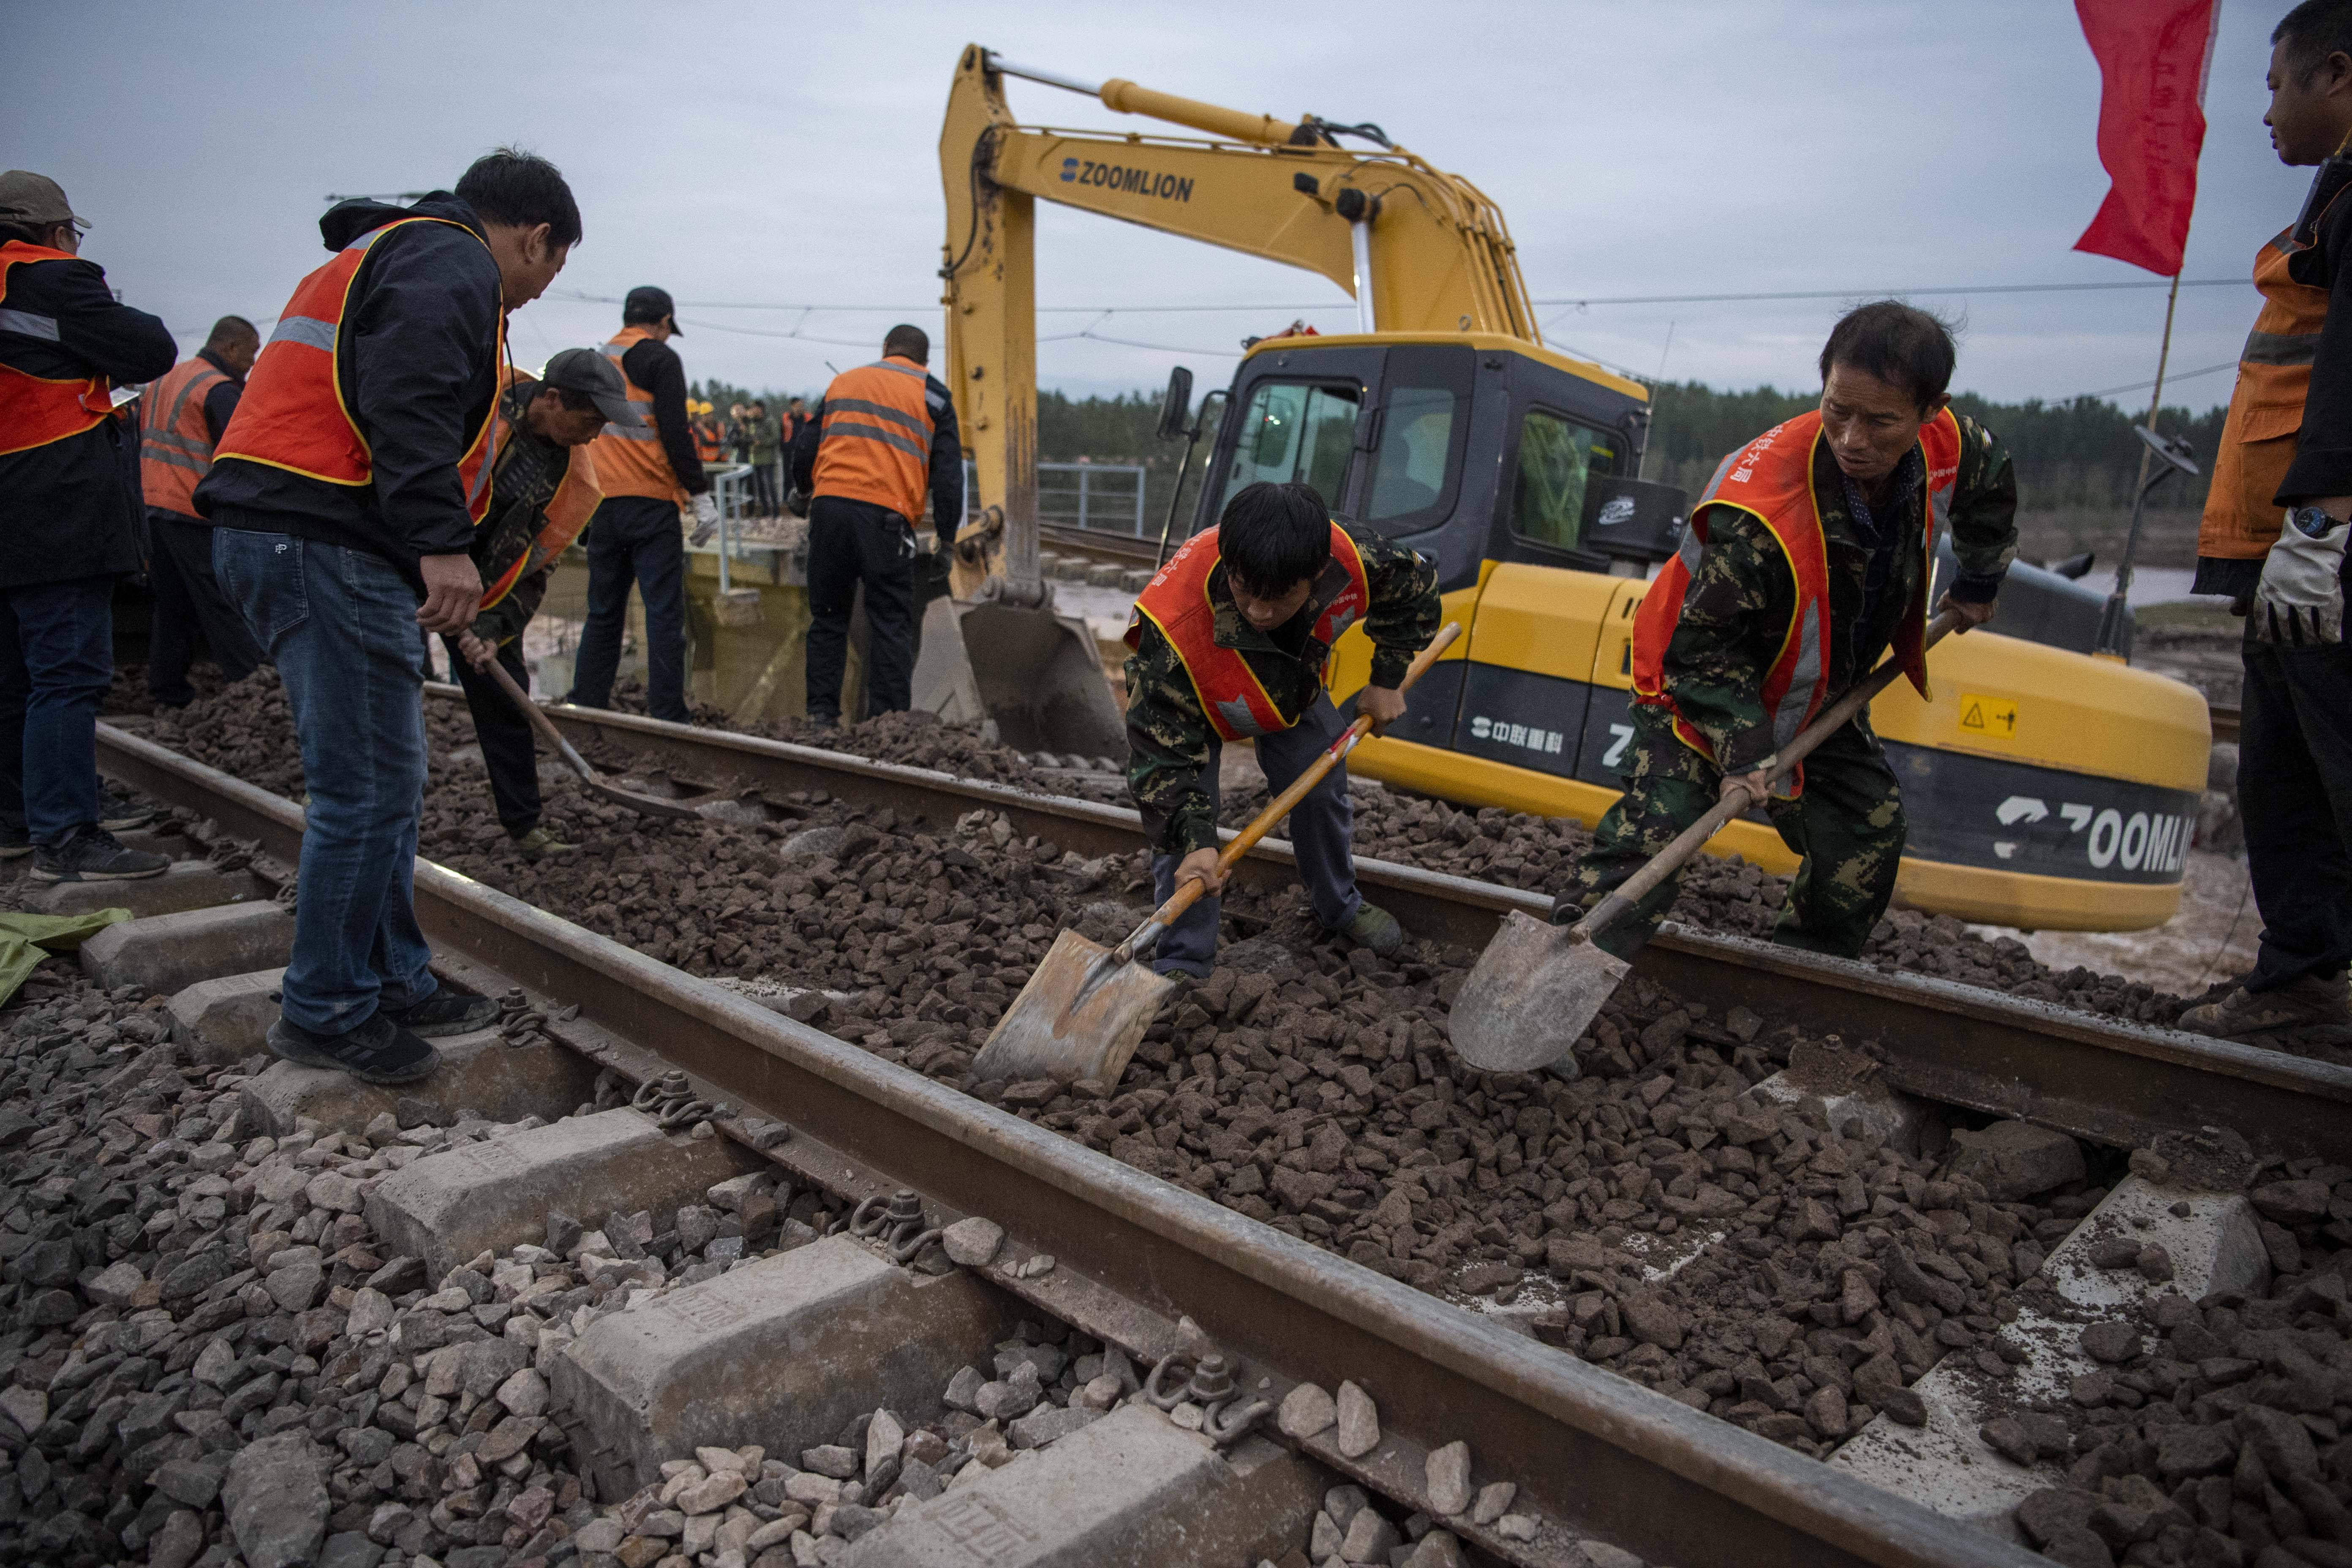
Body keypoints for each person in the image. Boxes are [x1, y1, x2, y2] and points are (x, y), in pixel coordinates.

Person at [199, 148, 581, 1084]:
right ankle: (327, 1006)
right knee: (366, 786)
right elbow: (407, 396)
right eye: (547, 269)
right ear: (532, 236)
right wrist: (439, 542)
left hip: (308, 531)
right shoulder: (449, 260)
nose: (532, 295)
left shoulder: (393, 251)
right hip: (318, 532)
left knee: (388, 780)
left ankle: (395, 975)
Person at [1560, 301, 2016, 964]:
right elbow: (1706, 652)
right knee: (1655, 837)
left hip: (1815, 686)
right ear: (1824, 383)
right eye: (1838, 410)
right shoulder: (1761, 512)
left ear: (1929, 411)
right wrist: (1746, 758)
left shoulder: (1951, 444)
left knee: (1867, 833)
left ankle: (1801, 981)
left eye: (1881, 421)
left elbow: (1991, 481)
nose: (1853, 439)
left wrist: (1979, 580)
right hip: (1700, 687)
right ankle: (1569, 968)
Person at [2183, 0, 2352, 1041]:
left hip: (2320, 551)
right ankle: (2302, 978)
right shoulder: (2331, 200)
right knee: (2283, 767)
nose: (2266, 112)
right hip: (2284, 548)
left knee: (2332, 763)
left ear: (2334, 74)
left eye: (2274, 85)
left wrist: (2325, 526)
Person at [1125, 480, 1437, 975]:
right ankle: (1184, 961)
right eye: (1246, 593)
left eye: (1280, 599)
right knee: (1185, 840)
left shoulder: (1355, 557)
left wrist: (1387, 679)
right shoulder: (1172, 629)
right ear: (1229, 564)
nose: (1259, 612)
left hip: (1288, 687)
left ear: (1317, 572)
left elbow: (1415, 590)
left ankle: (1338, 906)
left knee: (1321, 785)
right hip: (1195, 698)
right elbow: (1161, 758)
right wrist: (1193, 840)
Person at [0, 170, 179, 880]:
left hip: (9, 515)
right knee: (67, 675)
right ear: (52, 232)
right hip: (56, 510)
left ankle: (20, 818)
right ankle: (68, 836)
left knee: (15, 679)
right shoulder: (51, 280)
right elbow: (149, 349)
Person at [442, 348, 621, 858]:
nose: (595, 438)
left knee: (505, 692)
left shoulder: (574, 483)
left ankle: (525, 827)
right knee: (380, 675)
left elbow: (535, 568)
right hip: (406, 551)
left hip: (482, 589)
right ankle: (334, 796)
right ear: (552, 398)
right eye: (590, 422)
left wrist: (492, 627)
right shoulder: (475, 402)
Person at [789, 324, 962, 727]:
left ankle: (822, 718)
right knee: (890, 623)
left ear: (885, 350)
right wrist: (948, 541)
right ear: (925, 361)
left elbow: (805, 447)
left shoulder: (844, 382)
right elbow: (949, 479)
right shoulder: (934, 395)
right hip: (887, 519)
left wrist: (802, 492)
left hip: (830, 511)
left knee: (829, 616)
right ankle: (885, 725)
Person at [566, 285, 713, 724]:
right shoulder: (661, 359)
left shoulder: (598, 359)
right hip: (650, 504)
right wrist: (701, 494)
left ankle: (587, 705)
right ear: (664, 322)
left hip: (603, 505)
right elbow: (675, 431)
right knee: (664, 614)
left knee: (604, 612)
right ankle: (667, 715)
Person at [140, 314, 268, 708]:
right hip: (191, 511)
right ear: (230, 348)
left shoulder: (166, 380)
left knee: (173, 607)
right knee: (224, 602)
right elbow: (240, 461)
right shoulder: (218, 389)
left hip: (154, 508)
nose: (252, 363)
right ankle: (254, 693)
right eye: (251, 353)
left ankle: (167, 692)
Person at [746, 398, 780, 517]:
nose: (752, 410)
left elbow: (776, 438)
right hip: (755, 459)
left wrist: (762, 442)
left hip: (767, 459)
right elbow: (749, 436)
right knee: (759, 487)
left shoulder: (770, 421)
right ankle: (765, 511)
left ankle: (776, 511)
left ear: (760, 409)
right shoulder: (751, 423)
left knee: (770, 485)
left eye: (754, 408)